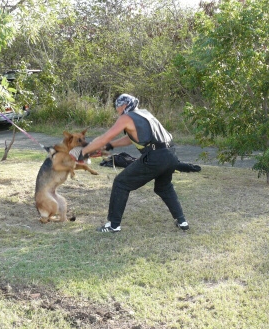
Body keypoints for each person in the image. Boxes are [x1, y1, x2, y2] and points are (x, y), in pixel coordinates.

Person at [79, 94, 189, 233]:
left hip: (155, 157)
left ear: (123, 105)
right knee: (164, 187)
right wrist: (109, 146)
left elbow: (104, 138)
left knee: (121, 183)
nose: (117, 111)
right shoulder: (144, 114)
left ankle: (113, 225)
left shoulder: (126, 117)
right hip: (171, 154)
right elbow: (130, 138)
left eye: (117, 107)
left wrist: (82, 152)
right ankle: (182, 221)